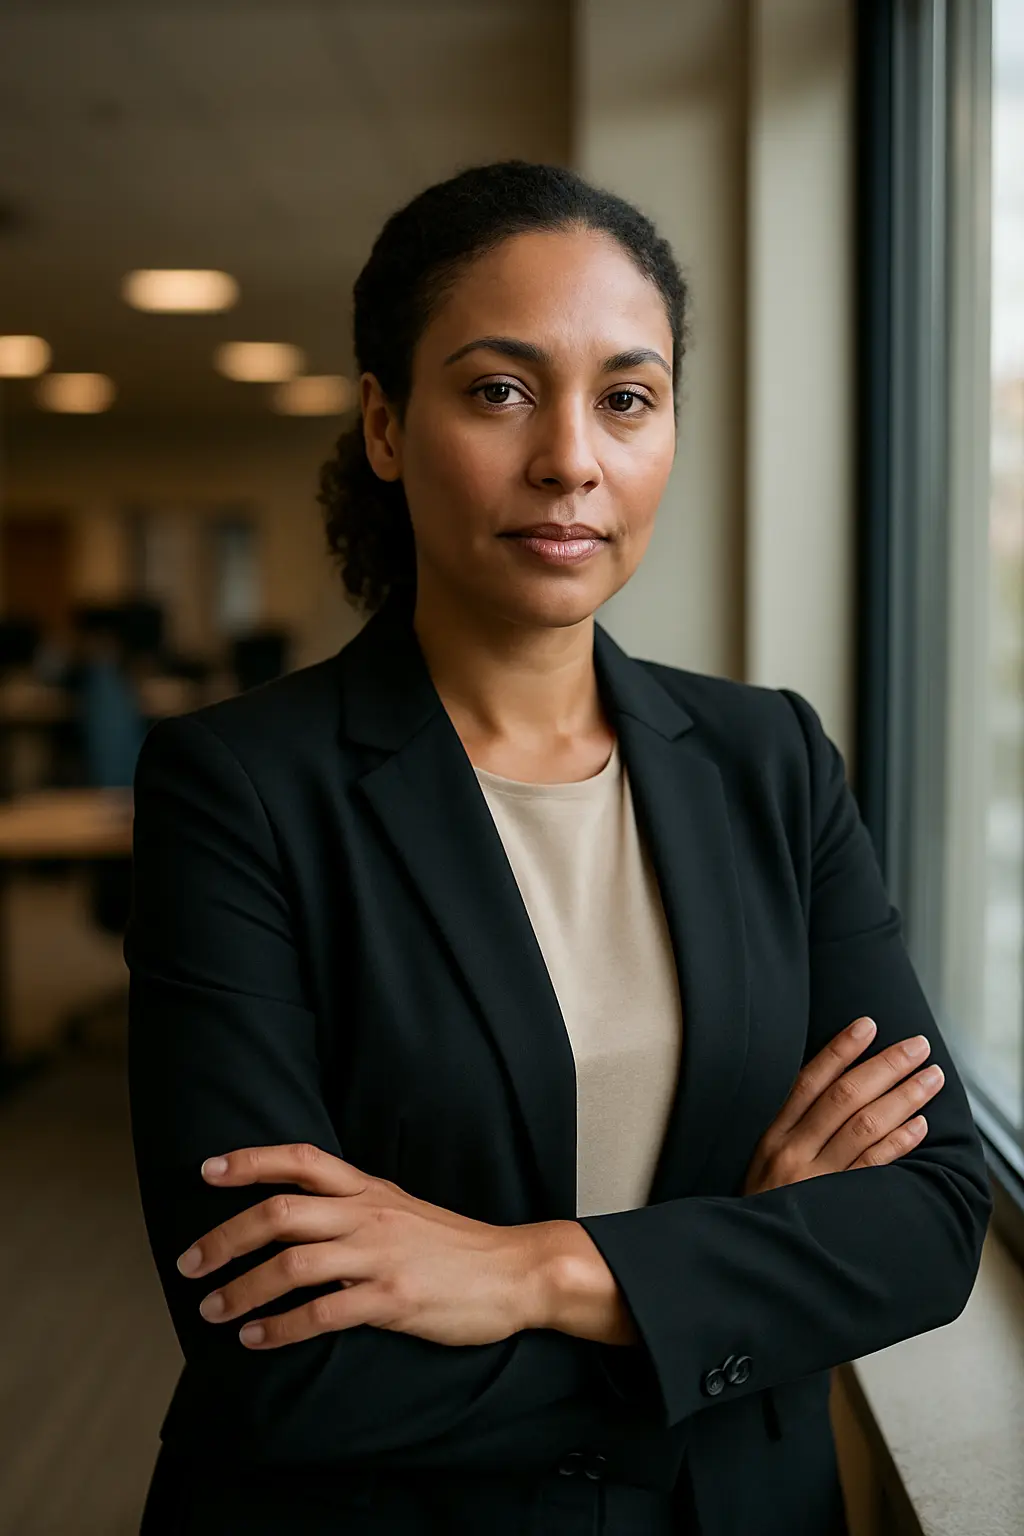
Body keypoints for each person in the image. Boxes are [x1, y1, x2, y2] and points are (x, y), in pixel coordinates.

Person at [127, 161, 992, 1536]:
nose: (571, 460)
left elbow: (931, 1221)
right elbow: (278, 1346)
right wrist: (734, 1279)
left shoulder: (771, 760)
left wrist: (531, 1270)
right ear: (385, 425)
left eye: (627, 399)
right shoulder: (240, 789)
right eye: (500, 390)